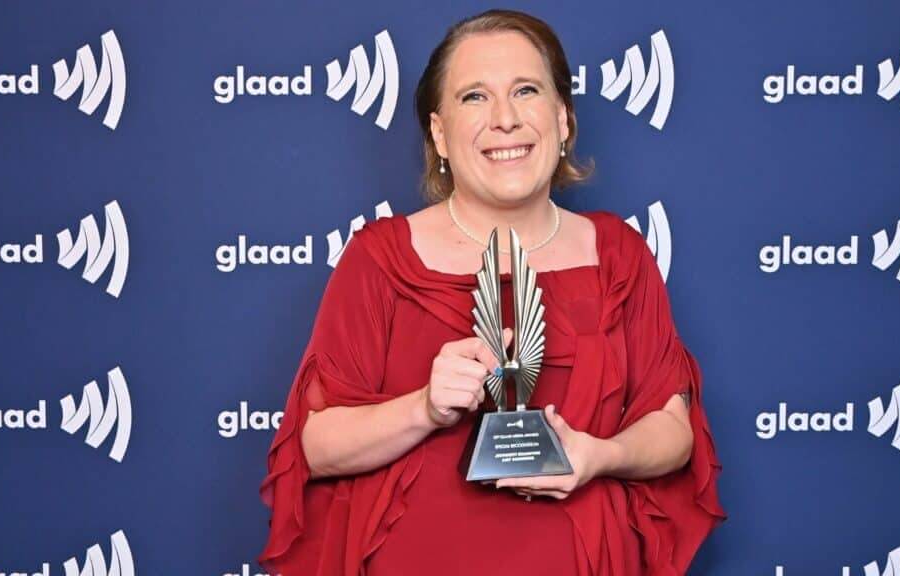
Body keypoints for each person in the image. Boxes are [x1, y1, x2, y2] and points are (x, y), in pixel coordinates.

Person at [258, 9, 725, 575]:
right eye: (474, 97)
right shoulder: (380, 259)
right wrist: (425, 408)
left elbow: (673, 431)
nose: (505, 119)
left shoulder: (618, 255)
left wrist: (599, 455)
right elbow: (315, 445)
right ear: (439, 132)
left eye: (525, 90)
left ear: (563, 118)